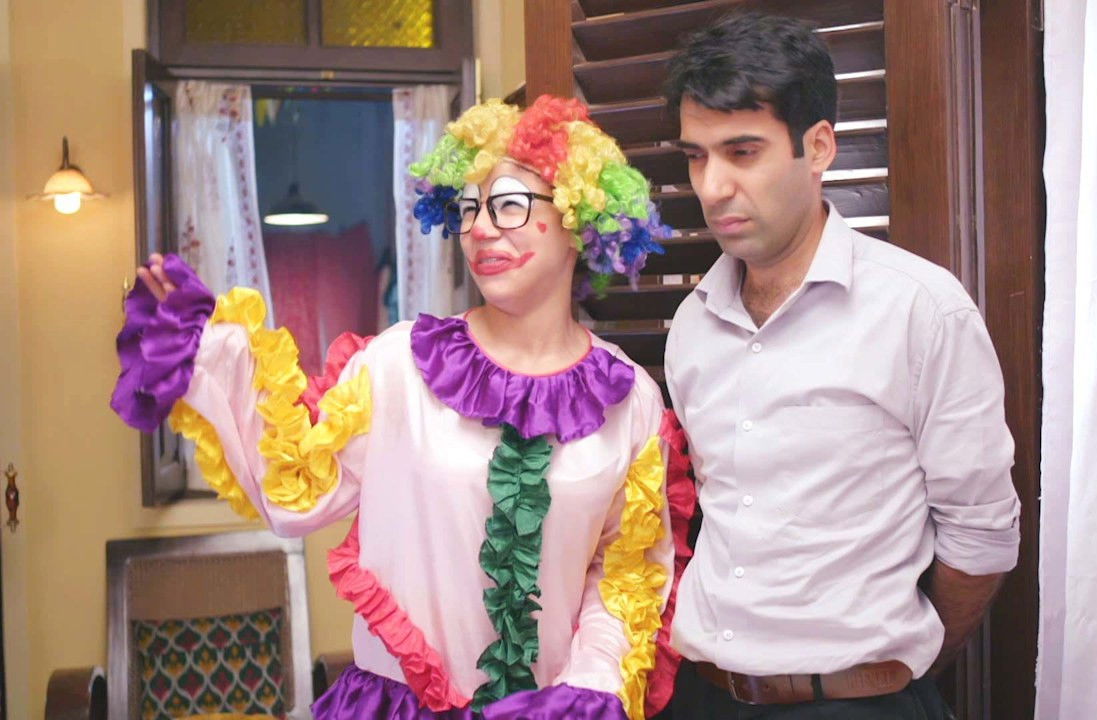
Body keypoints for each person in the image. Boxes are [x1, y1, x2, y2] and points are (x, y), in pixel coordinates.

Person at [111, 95, 679, 720]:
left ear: (580, 217)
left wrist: (588, 690)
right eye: (468, 208)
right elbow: (292, 490)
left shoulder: (631, 400)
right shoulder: (398, 366)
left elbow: (624, 572)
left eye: (509, 204)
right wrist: (208, 349)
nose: (479, 229)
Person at [661, 13, 1022, 719]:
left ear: (818, 146)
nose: (713, 186)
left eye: (742, 152)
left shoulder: (921, 309)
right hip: (702, 696)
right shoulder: (692, 324)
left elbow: (981, 536)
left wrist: (889, 676)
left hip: (857, 703)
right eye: (697, 157)